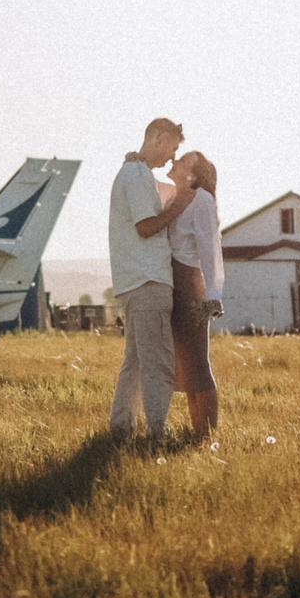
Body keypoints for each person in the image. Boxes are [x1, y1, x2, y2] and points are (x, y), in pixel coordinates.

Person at [107, 116, 194, 440]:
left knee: (136, 360)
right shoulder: (138, 175)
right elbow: (145, 227)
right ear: (158, 138)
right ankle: (158, 433)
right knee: (157, 361)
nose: (171, 158)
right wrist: (179, 207)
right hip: (147, 280)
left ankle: (121, 427)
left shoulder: (134, 172)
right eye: (171, 149)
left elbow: (163, 194)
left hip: (134, 280)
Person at [167, 151, 222, 436]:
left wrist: (213, 293)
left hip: (191, 282)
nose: (174, 161)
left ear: (194, 174)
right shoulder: (176, 198)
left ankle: (207, 436)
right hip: (175, 282)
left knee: (197, 362)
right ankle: (197, 431)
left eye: (183, 159)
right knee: (186, 365)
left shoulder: (201, 200)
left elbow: (209, 248)